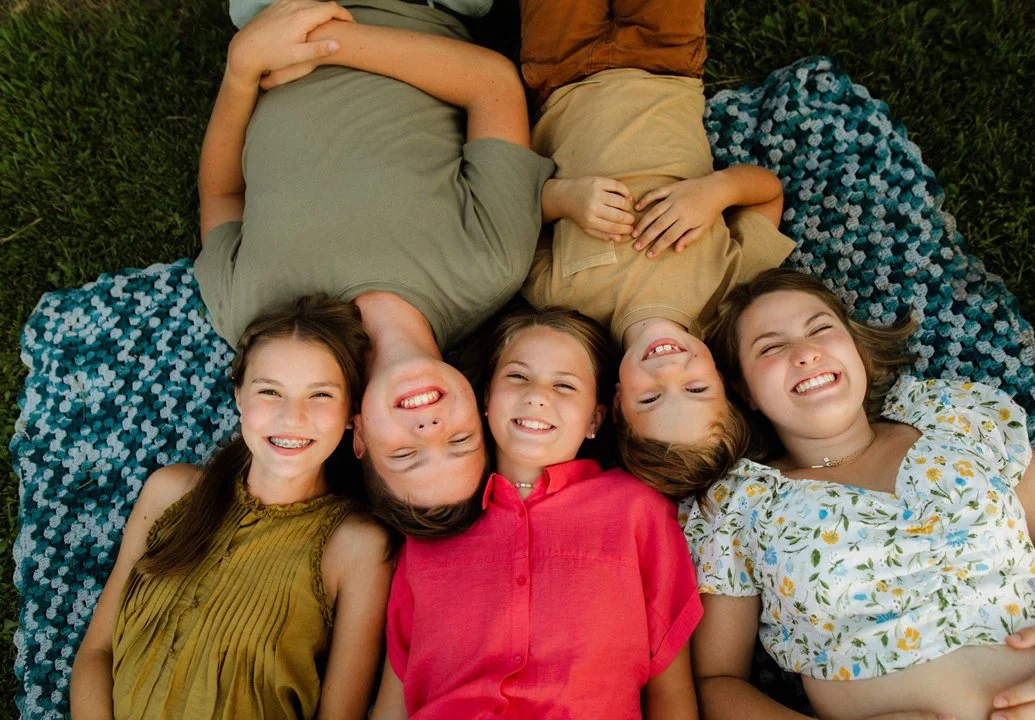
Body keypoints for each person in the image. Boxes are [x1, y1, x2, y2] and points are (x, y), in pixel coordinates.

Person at [193, 0, 555, 534]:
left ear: (357, 437)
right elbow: (491, 85)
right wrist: (330, 40)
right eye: (458, 441)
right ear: (481, 412)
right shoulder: (490, 266)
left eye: (406, 454)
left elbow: (221, 194)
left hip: (276, 12)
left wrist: (243, 69)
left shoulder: (261, 321)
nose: (429, 427)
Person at [682, 268, 1035, 720]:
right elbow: (714, 682)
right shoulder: (739, 505)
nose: (806, 353)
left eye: (821, 329)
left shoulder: (955, 422)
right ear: (744, 391)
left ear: (856, 348)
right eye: (771, 347)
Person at [514, 0, 796, 501]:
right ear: (725, 380)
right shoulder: (730, 292)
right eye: (695, 389)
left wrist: (563, 199)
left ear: (617, 401)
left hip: (559, 78)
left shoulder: (564, 302)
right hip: (669, 66)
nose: (668, 371)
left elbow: (509, 220)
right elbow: (769, 192)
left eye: (650, 397)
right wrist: (717, 191)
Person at [69, 295, 392, 719]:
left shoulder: (356, 547)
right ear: (239, 395)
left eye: (320, 395)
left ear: (352, 411)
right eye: (270, 391)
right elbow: (97, 651)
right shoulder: (171, 493)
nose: (292, 417)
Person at [370, 306, 702, 718]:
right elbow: (394, 698)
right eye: (518, 376)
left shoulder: (639, 509)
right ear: (486, 399)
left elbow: (672, 695)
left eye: (564, 385)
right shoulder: (431, 524)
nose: (537, 395)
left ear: (595, 418)